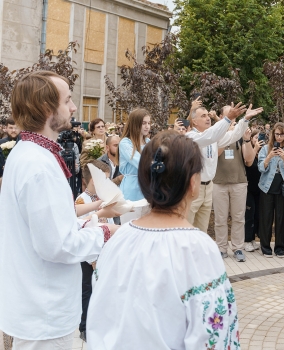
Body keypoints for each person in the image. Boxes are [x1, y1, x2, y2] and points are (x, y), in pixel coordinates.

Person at [86, 131, 240, 348]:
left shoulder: (118, 239)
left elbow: (99, 319)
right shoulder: (198, 248)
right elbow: (215, 336)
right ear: (194, 183)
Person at [0, 71, 119, 348]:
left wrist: (86, 223)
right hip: (46, 315)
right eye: (67, 100)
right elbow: (56, 245)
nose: (74, 108)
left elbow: (49, 227)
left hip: (38, 307)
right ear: (45, 108)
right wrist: (105, 233)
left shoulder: (29, 153)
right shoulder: (37, 164)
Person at [185, 103, 261, 232]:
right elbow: (211, 136)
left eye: (208, 115)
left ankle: (200, 252)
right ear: (194, 122)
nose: (208, 118)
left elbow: (233, 136)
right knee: (187, 227)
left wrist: (245, 120)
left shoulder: (212, 136)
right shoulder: (191, 137)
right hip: (192, 187)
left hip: (208, 186)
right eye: (203, 116)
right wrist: (227, 118)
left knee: (202, 229)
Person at [75, 160, 114, 342]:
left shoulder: (104, 199)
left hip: (104, 251)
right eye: (103, 181)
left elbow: (111, 223)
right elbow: (84, 228)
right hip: (89, 256)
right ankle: (84, 326)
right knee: (87, 289)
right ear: (91, 181)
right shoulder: (82, 200)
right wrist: (92, 259)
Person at [212, 122, 255, 261]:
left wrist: (247, 139)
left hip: (239, 183)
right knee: (220, 219)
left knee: (238, 218)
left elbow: (249, 161)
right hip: (219, 183)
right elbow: (216, 154)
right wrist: (227, 136)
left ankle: (238, 248)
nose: (233, 125)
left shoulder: (241, 138)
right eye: (230, 122)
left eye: (235, 123)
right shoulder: (215, 137)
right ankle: (221, 248)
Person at [258, 122, 284, 258]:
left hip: (283, 186)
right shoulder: (265, 149)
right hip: (267, 186)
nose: (279, 137)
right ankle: (265, 247)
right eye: (277, 134)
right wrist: (269, 156)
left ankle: (280, 247)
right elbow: (261, 168)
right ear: (273, 134)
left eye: (281, 134)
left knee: (281, 218)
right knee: (266, 218)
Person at [119, 109, 151, 201]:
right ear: (135, 124)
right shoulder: (125, 143)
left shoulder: (148, 142)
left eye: (149, 123)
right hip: (132, 186)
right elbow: (140, 162)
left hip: (147, 185)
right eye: (144, 123)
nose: (147, 126)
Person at [244, 130, 265, 252]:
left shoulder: (263, 152)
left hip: (260, 188)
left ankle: (252, 239)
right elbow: (248, 163)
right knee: (249, 215)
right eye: (256, 137)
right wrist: (255, 148)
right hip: (248, 188)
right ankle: (246, 239)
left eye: (259, 138)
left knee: (257, 215)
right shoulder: (249, 150)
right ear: (251, 138)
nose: (258, 140)